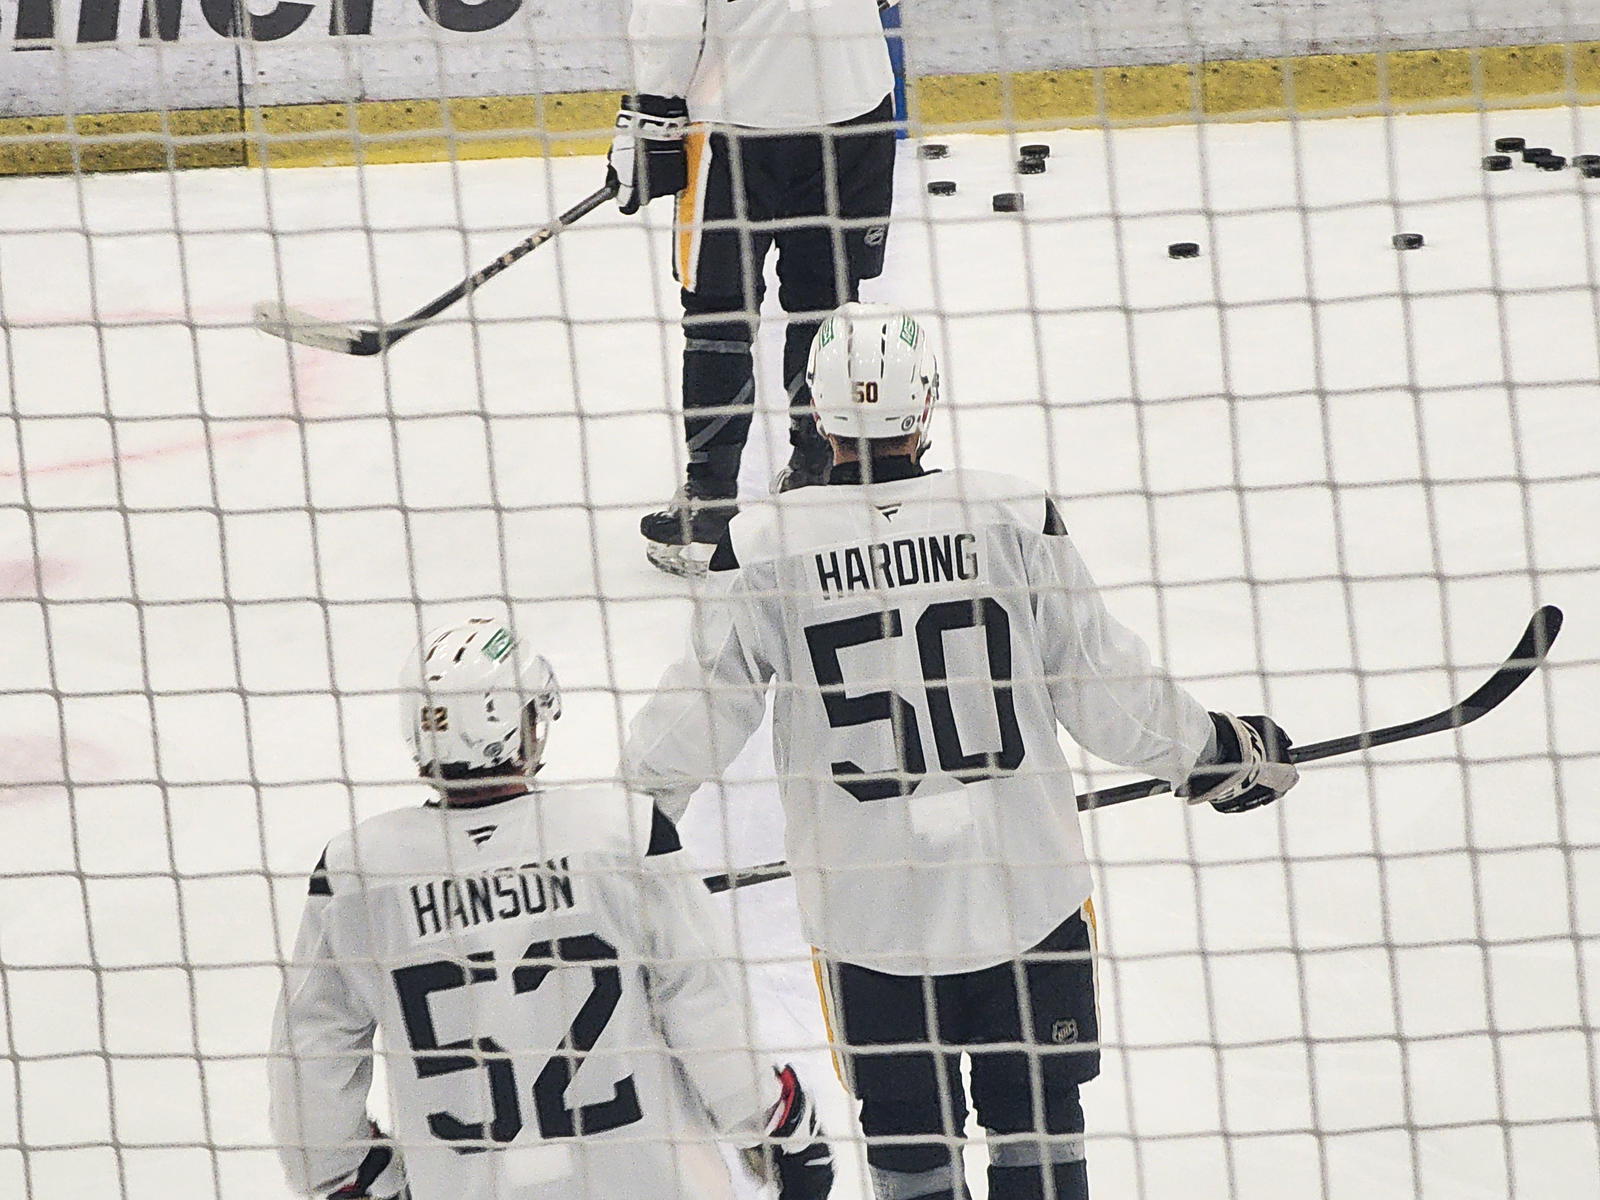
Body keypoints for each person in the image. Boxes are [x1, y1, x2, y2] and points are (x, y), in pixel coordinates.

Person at [621, 304, 1301, 1200]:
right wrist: (1214, 753)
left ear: (819, 415)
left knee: (911, 1159)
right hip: (1026, 893)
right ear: (927, 404)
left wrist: (621, 829)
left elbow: (697, 714)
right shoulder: (1008, 514)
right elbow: (1103, 687)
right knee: (1042, 1135)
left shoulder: (768, 547)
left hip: (870, 918)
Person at [268, 617, 834, 1200]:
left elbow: (311, 1053)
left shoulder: (357, 873)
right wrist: (776, 1122)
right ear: (509, 726)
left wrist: (347, 1176)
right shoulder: (621, 835)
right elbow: (700, 1003)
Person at [606, 0, 898, 576]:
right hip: (857, 110)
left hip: (736, 125)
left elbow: (669, 20)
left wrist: (652, 117)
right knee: (827, 302)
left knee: (719, 311)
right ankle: (823, 474)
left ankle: (709, 505)